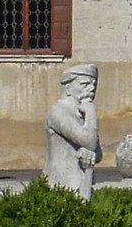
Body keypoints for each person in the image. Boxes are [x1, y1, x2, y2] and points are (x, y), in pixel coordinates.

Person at [43, 63, 101, 195]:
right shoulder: (58, 111)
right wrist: (92, 113)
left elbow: (98, 154)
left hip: (82, 184)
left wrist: (90, 154)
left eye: (94, 85)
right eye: (85, 84)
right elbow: (90, 142)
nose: (92, 88)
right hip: (61, 184)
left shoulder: (82, 113)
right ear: (68, 88)